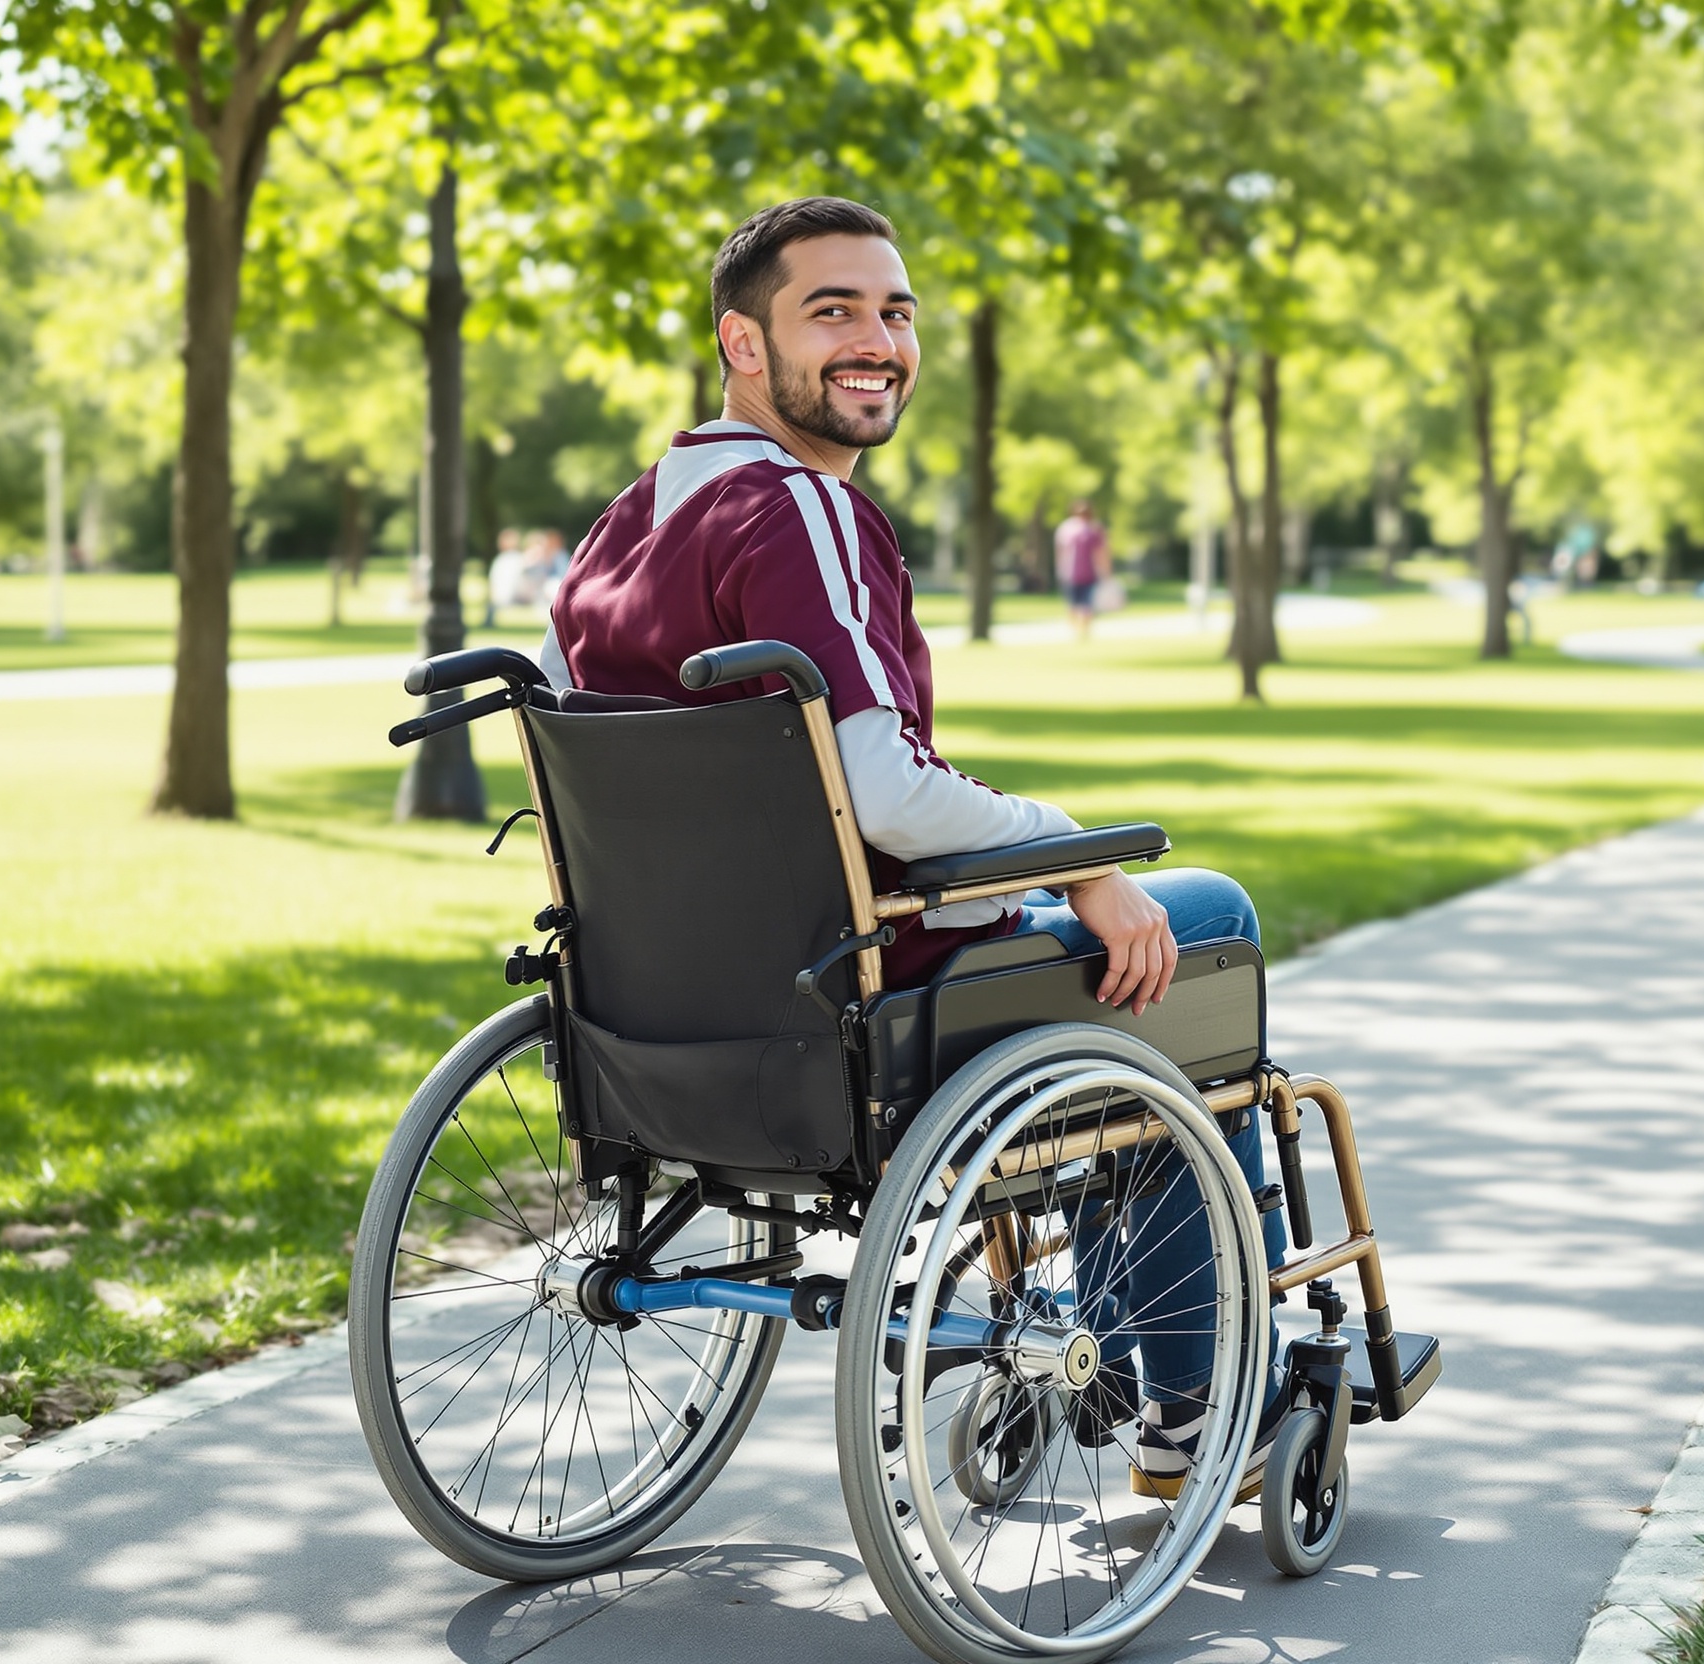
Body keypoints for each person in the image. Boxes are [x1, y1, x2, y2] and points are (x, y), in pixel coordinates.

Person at [540, 196, 1285, 1495]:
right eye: (831, 310)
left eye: (895, 312)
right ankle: (1201, 1401)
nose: (877, 340)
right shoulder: (799, 508)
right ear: (743, 344)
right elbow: (882, 791)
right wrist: (1081, 860)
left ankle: (1139, 1338)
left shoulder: (624, 526)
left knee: (1129, 964)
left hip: (659, 1014)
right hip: (863, 996)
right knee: (1205, 923)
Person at [1053, 498, 1107, 639]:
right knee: (1073, 605)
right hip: (1070, 573)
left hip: (1090, 573)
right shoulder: (1066, 528)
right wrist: (1059, 569)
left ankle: (1084, 631)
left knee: (1087, 605)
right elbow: (1060, 551)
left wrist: (1105, 571)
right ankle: (1076, 630)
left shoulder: (1095, 528)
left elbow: (1101, 552)